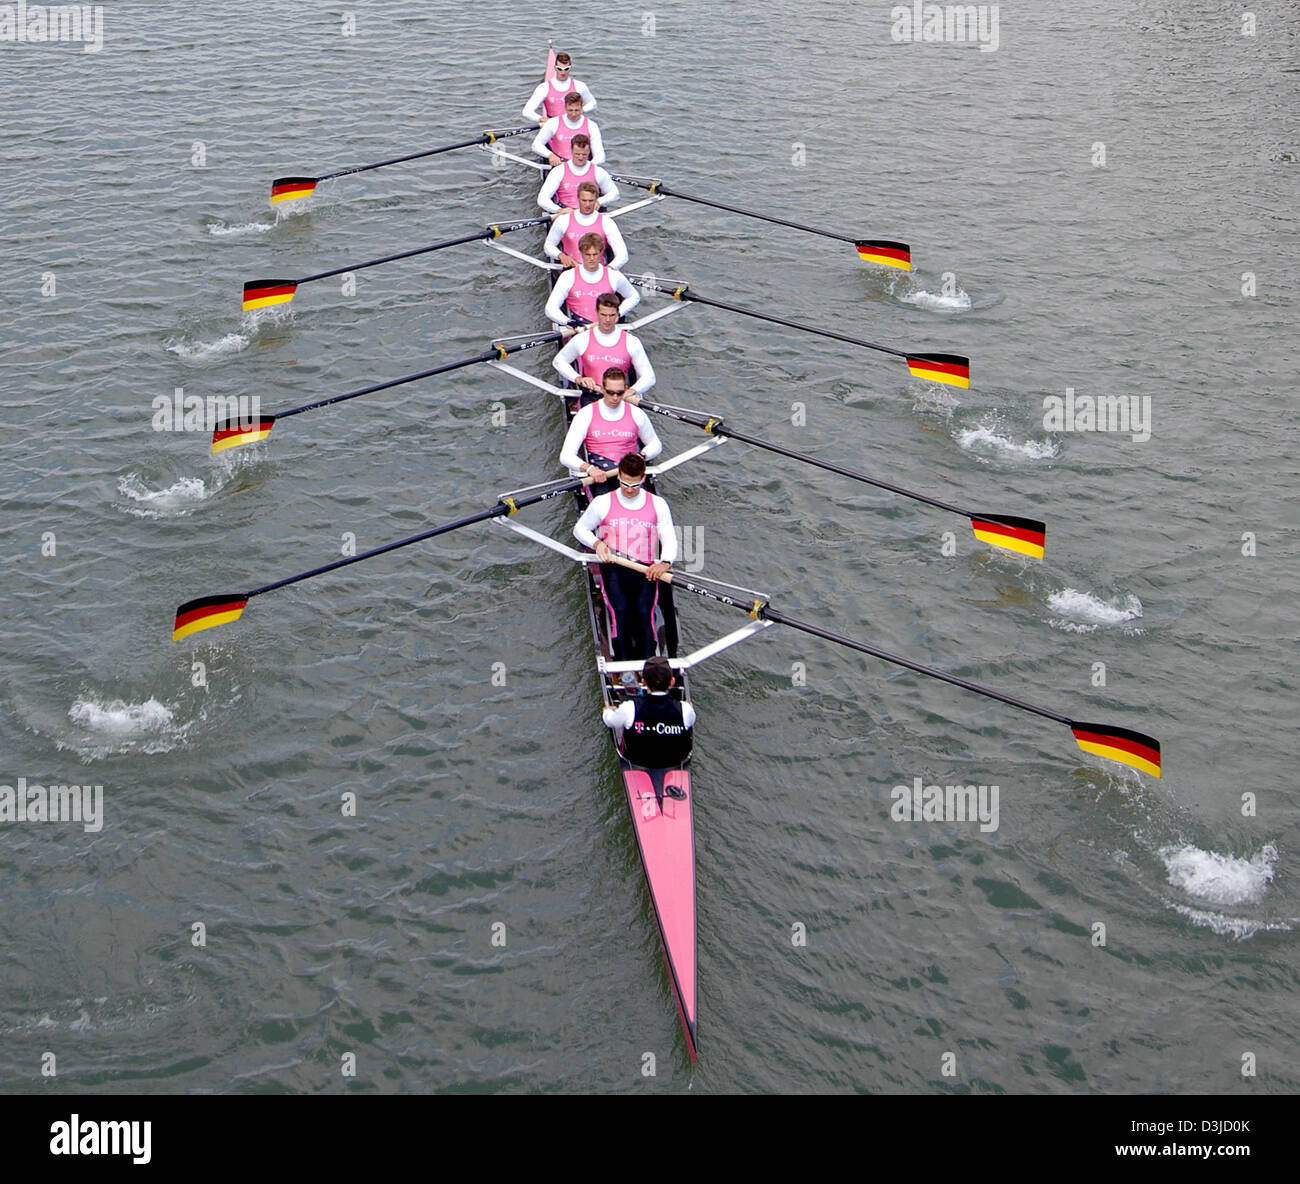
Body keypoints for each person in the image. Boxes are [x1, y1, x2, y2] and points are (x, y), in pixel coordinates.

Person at [574, 453, 677, 662]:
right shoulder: (603, 503)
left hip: (646, 569)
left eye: (635, 485)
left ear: (643, 477)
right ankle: (622, 669)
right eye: (624, 483)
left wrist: (665, 563)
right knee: (619, 611)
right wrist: (597, 543)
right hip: (614, 567)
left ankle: (651, 666)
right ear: (618, 475)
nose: (629, 489)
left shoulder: (658, 504)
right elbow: (579, 529)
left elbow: (670, 539)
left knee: (644, 613)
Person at [560, 366, 662, 494]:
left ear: (625, 389)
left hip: (630, 475)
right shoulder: (586, 414)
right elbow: (566, 456)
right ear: (602, 389)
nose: (615, 398)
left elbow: (656, 444)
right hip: (600, 476)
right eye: (610, 392)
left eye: (619, 393)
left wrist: (641, 456)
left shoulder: (637, 414)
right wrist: (590, 469)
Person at [554, 292, 655, 403]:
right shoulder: (582, 339)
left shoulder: (632, 342)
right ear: (597, 313)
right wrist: (578, 378)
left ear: (617, 315)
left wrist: (631, 391)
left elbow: (649, 377)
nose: (607, 320)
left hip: (619, 397)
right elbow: (558, 361)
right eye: (603, 315)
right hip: (592, 394)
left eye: (612, 315)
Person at [602, 656, 695, 771]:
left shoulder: (629, 707)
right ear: (672, 681)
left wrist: (607, 710)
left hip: (637, 762)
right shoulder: (685, 709)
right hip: (673, 763)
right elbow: (692, 719)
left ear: (643, 682)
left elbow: (609, 721)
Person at [544, 234, 639, 325]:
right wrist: (568, 322)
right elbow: (550, 308)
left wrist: (617, 314)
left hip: (607, 325)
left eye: (595, 254)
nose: (592, 259)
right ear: (581, 253)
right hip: (580, 328)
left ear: (602, 253)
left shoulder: (614, 276)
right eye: (588, 254)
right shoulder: (568, 277)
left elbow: (634, 296)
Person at [544, 181, 628, 269]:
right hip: (571, 269)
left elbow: (623, 255)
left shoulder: (607, 223)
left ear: (596, 200)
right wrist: (561, 256)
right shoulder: (563, 220)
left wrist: (609, 269)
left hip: (599, 270)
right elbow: (548, 246)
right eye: (584, 200)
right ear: (578, 198)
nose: (587, 205)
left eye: (591, 201)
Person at [537, 135, 619, 213]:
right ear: (571, 151)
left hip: (591, 213)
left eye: (584, 154)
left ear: (589, 152)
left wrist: (599, 201)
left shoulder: (598, 172)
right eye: (577, 154)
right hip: (566, 213)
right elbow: (542, 199)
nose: (580, 158)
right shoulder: (558, 171)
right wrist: (559, 210)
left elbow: (615, 193)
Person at [532, 90, 606, 166]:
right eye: (570, 110)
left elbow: (600, 156)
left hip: (583, 165)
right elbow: (536, 145)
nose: (573, 114)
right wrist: (550, 155)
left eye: (577, 110)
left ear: (582, 108)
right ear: (565, 107)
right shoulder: (553, 123)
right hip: (559, 165)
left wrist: (588, 166)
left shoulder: (592, 126)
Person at [522, 51, 596, 123]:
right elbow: (527, 111)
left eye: (566, 69)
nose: (563, 73)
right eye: (559, 69)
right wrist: (541, 119)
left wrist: (581, 110)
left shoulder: (580, 86)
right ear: (554, 68)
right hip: (553, 127)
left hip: (575, 124)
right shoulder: (544, 88)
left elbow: (593, 103)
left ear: (570, 68)